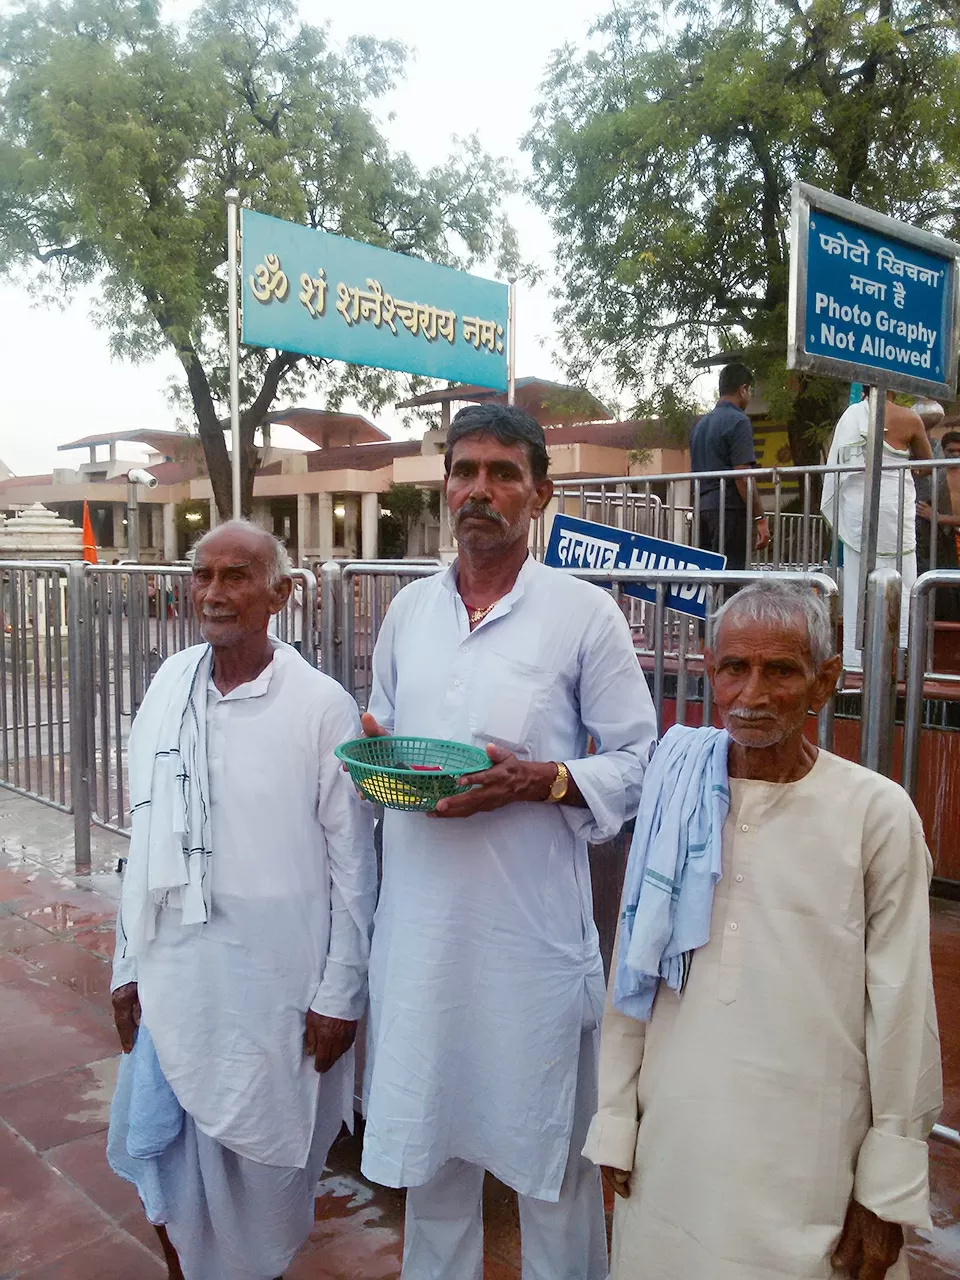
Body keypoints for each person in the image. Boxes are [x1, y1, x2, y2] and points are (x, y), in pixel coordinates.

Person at [359, 403, 658, 1280]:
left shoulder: (582, 615)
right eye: (464, 472)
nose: (479, 491)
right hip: (421, 938)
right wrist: (374, 749)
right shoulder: (410, 611)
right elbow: (385, 721)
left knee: (554, 1168)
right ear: (444, 486)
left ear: (539, 493)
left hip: (527, 942)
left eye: (501, 474)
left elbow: (640, 759)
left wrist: (542, 780)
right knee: (432, 1164)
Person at [584, 579, 942, 1280]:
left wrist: (887, 1191)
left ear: (824, 681)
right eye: (733, 668)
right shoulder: (676, 793)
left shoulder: (876, 813)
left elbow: (903, 1010)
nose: (752, 694)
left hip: (811, 1157)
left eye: (781, 670)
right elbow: (633, 973)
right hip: (675, 1144)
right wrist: (616, 1123)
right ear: (708, 672)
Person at [107, 520, 376, 1280]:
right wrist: (125, 964)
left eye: (237, 576)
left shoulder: (320, 706)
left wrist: (342, 992)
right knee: (157, 1152)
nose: (215, 593)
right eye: (204, 575)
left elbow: (354, 864)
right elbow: (146, 823)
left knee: (264, 1184)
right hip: (172, 973)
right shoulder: (170, 684)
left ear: (280, 594)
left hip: (274, 986)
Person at [820, 389, 932, 668]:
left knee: (858, 581)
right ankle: (902, 657)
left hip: (860, 509)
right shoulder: (910, 418)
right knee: (904, 582)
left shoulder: (851, 416)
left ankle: (854, 660)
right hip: (895, 507)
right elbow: (926, 465)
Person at [690, 361, 770, 570]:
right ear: (743, 389)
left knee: (706, 580)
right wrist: (760, 518)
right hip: (729, 511)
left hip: (702, 509)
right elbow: (743, 477)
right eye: (749, 390)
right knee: (731, 579)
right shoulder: (738, 421)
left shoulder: (701, 425)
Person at [914, 406, 960, 621]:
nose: (955, 457)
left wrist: (939, 517)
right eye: (951, 452)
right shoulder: (937, 473)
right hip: (943, 542)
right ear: (943, 452)